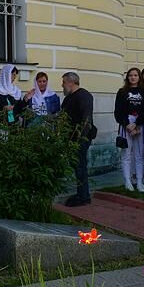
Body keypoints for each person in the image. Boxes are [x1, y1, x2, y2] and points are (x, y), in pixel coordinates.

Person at [114, 67, 144, 192]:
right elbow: (118, 112)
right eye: (131, 75)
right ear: (127, 77)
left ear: (139, 77)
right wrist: (127, 124)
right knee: (126, 154)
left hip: (140, 126)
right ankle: (127, 181)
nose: (133, 77)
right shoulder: (122, 92)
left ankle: (140, 181)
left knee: (139, 155)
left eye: (135, 75)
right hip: (126, 126)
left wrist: (137, 124)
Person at [61, 72, 95, 207]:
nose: (62, 85)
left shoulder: (84, 96)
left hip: (80, 139)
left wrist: (80, 140)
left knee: (80, 167)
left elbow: (86, 120)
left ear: (71, 82)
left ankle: (83, 196)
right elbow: (62, 114)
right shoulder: (69, 98)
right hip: (71, 138)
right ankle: (81, 193)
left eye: (63, 82)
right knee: (77, 167)